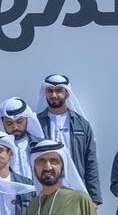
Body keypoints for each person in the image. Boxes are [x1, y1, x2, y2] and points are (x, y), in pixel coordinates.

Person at [35, 74, 102, 205]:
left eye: (58, 90)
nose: (53, 95)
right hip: (45, 191)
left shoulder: (82, 124)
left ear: (67, 93)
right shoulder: (36, 124)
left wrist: (95, 198)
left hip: (76, 191)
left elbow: (91, 162)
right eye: (49, 91)